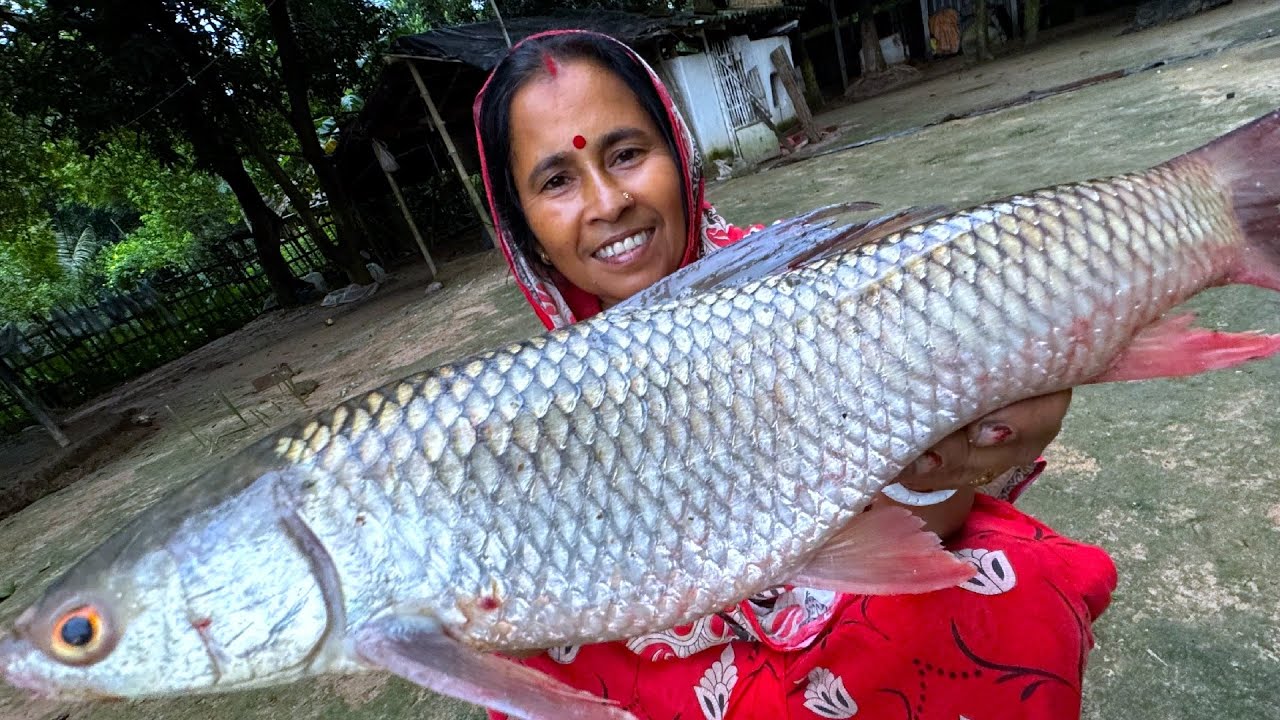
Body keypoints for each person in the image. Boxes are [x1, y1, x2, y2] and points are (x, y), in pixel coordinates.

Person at [472, 29, 1117, 720]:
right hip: (658, 648)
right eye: (557, 181)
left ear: (680, 155)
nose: (606, 202)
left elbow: (920, 522)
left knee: (1008, 593)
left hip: (847, 581)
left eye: (627, 154)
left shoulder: (814, 288)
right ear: (524, 228)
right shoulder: (524, 414)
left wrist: (951, 464)